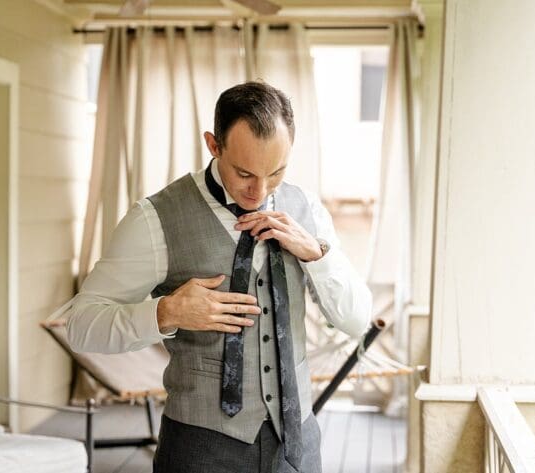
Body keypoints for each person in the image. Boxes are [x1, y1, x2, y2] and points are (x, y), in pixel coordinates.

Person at [59, 82, 371, 472]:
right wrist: (166, 313)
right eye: (244, 173)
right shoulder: (154, 219)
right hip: (199, 448)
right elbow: (81, 325)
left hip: (298, 447)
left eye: (275, 172)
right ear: (214, 144)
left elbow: (357, 320)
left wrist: (317, 255)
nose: (259, 192)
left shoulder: (306, 209)